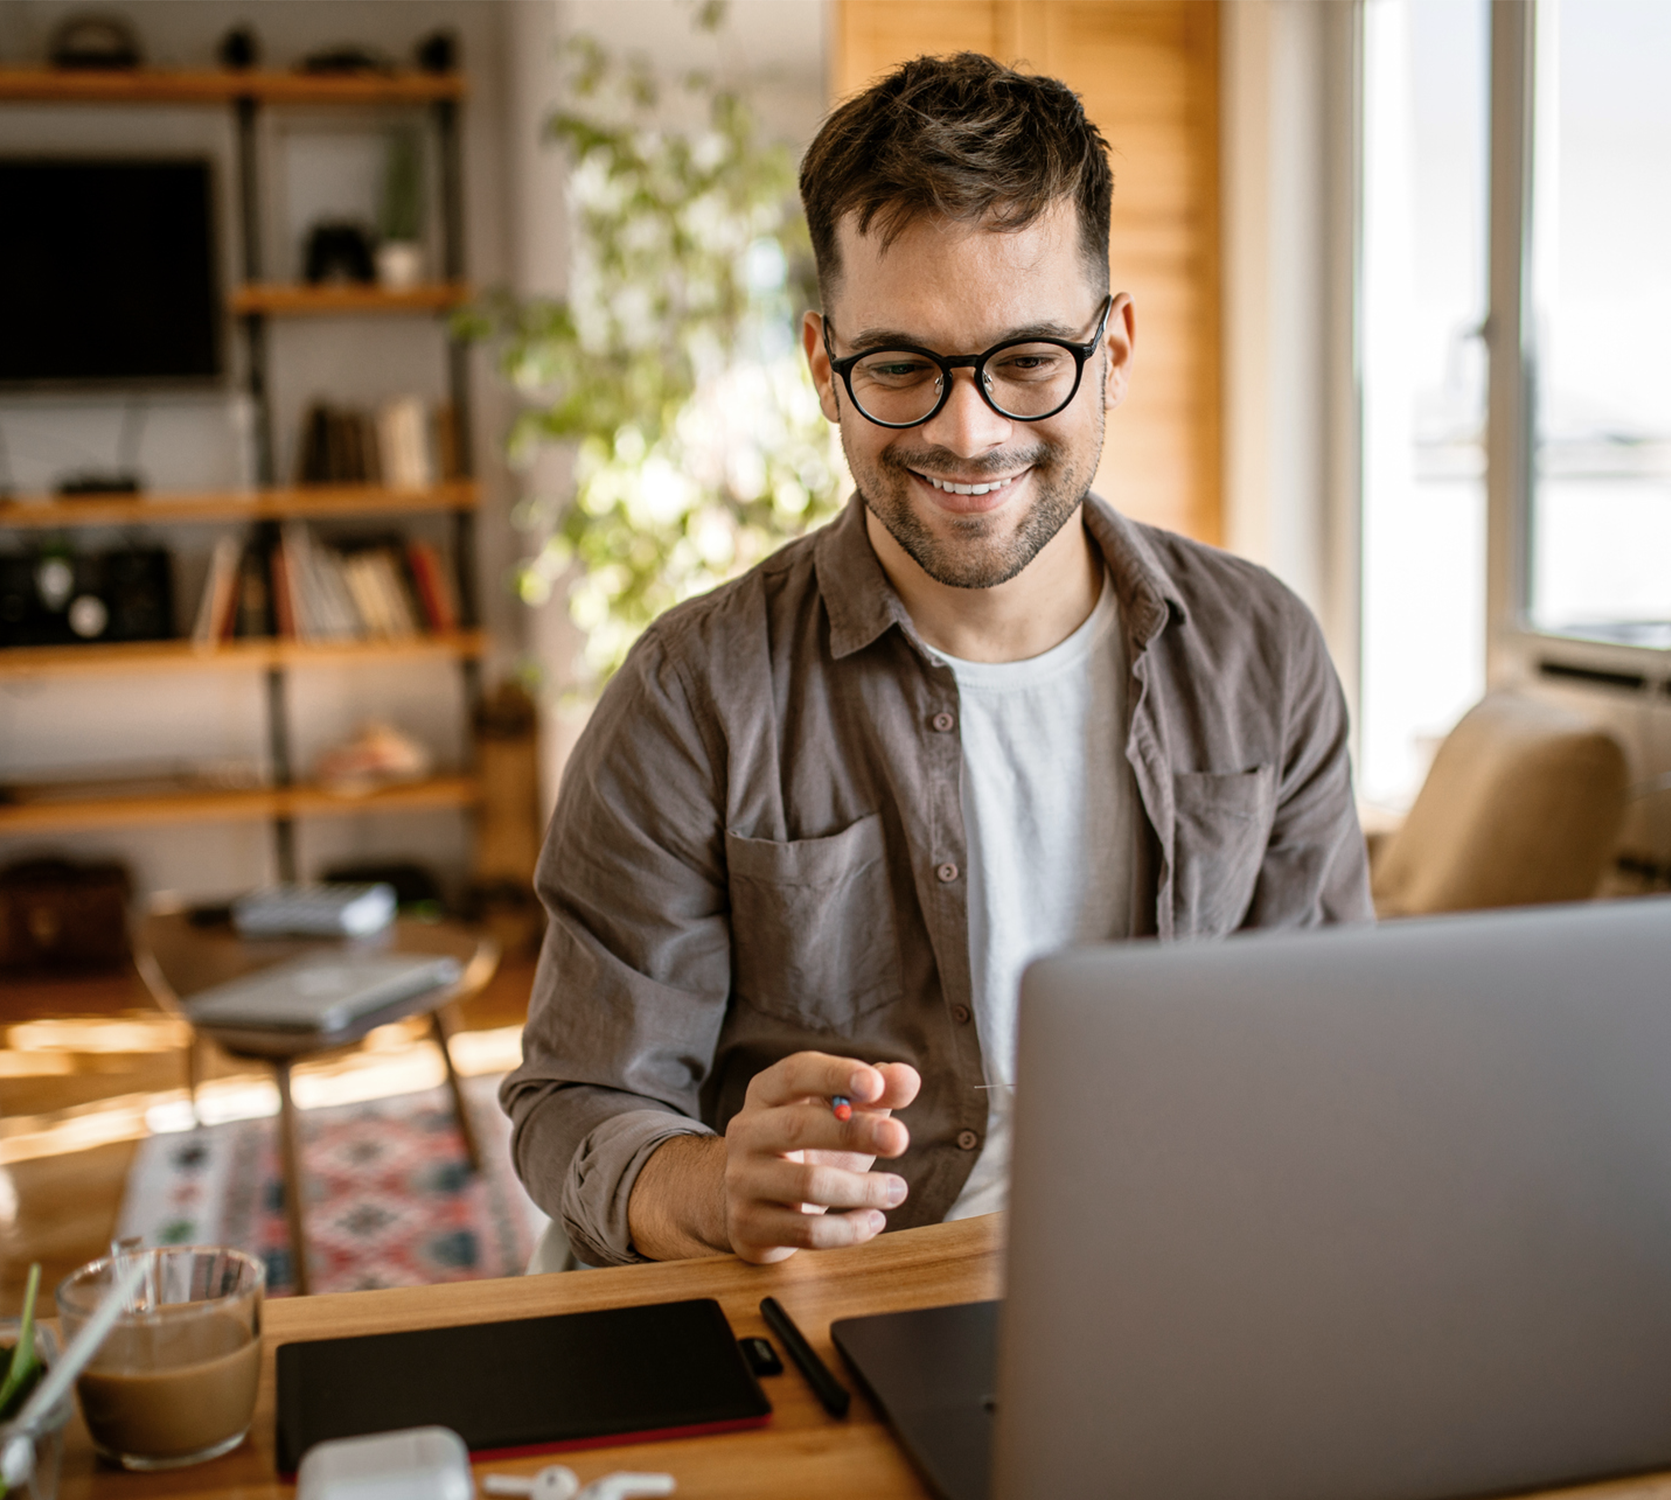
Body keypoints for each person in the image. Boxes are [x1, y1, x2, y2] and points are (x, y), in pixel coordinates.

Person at [503, 52, 1371, 1268]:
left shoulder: (1260, 652)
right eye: (901, 367)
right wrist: (709, 1186)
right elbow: (571, 1108)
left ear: (1112, 349)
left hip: (1175, 1276)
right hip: (834, 1312)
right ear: (823, 368)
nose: (969, 434)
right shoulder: (692, 692)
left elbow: (1329, 1050)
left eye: (1026, 361)